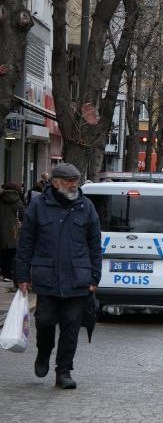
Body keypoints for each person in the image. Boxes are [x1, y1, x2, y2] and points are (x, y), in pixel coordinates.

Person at [16, 164, 102, 389]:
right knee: (44, 322)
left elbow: (95, 245)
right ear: (55, 182)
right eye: (69, 180)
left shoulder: (86, 207)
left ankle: (63, 371)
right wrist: (22, 276)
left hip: (78, 279)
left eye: (76, 180)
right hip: (47, 279)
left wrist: (95, 278)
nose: (74, 184)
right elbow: (25, 244)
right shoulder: (38, 206)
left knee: (71, 326)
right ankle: (44, 353)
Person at [0, 183, 25, 284]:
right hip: (12, 231)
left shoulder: (1, 198)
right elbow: (23, 214)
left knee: (3, 254)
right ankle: (9, 274)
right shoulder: (17, 201)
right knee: (12, 255)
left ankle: (5, 273)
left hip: (1, 230)